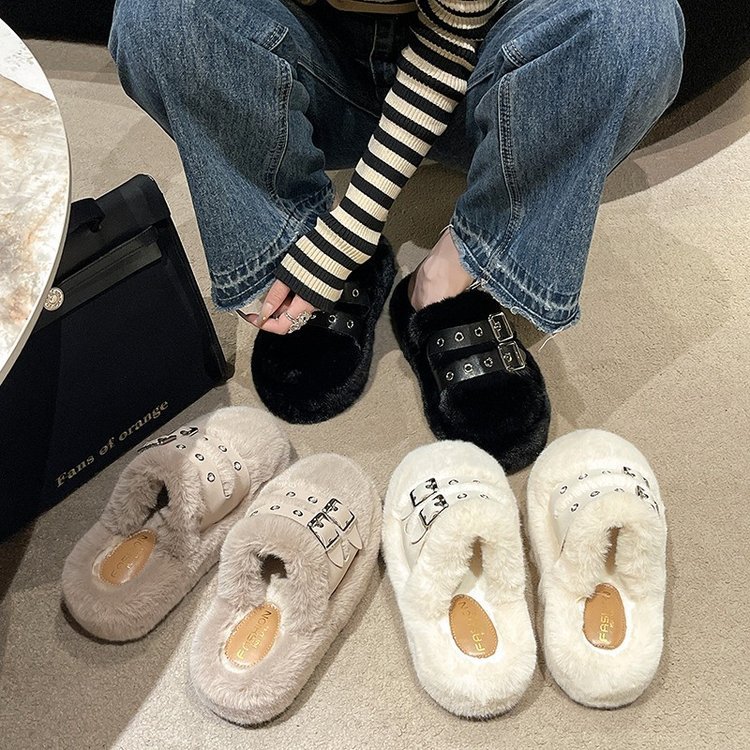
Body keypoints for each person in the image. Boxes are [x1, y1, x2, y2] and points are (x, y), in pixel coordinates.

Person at [108, 0, 684, 470]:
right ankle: (295, 241)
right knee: (160, 16)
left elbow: (445, 45)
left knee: (632, 26)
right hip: (310, 67)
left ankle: (455, 269)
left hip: (483, 72)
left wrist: (349, 233)